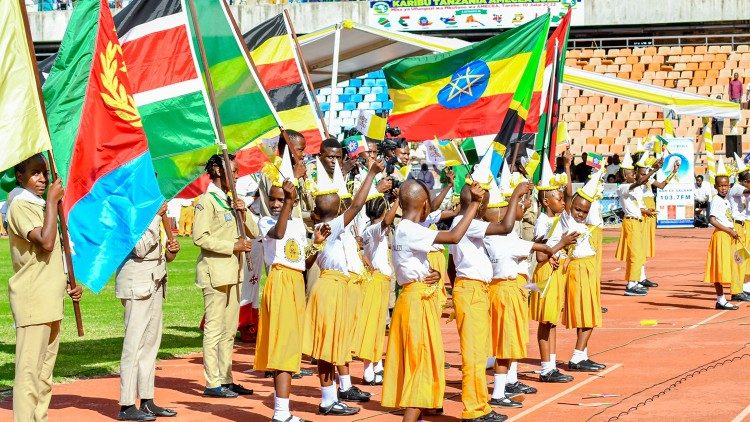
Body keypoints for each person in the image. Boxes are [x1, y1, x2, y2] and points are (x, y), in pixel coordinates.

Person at [382, 179, 487, 422]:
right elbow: (453, 237)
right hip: (417, 302)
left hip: (416, 296)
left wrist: (435, 273)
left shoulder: (405, 229)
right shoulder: (410, 229)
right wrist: (474, 205)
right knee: (421, 367)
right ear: (424, 203)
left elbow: (413, 265)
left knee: (424, 363)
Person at [448, 156, 532, 422]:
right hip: (472, 290)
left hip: (473, 290)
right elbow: (507, 226)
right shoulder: (469, 223)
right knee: (473, 356)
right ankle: (473, 409)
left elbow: (452, 266)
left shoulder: (462, 223)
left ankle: (481, 404)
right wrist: (516, 194)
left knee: (478, 351)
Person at [484, 177, 577, 407]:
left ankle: (510, 382)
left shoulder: (506, 235)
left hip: (515, 288)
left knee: (513, 340)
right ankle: (498, 392)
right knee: (506, 342)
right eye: (511, 206)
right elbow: (541, 250)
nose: (522, 207)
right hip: (506, 290)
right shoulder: (501, 236)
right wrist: (559, 245)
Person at [4, 153, 83, 422]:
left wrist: (69, 283)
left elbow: (55, 254)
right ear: (20, 176)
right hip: (32, 298)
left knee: (44, 375)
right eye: (35, 173)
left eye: (45, 173)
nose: (43, 178)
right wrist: (52, 200)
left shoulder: (40, 204)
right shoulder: (20, 204)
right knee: (28, 374)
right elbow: (45, 242)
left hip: (50, 298)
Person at [302, 157, 382, 416]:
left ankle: (334, 395)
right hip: (331, 288)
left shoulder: (329, 227)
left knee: (336, 345)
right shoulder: (330, 226)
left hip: (338, 287)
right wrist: (371, 173)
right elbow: (358, 205)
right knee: (328, 347)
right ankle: (327, 400)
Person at [254, 169, 330, 421]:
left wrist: (317, 244)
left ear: (295, 201)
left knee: (291, 345)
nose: (275, 204)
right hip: (281, 282)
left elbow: (303, 263)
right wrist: (287, 200)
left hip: (296, 282)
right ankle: (281, 413)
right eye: (272, 199)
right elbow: (277, 233)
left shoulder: (298, 224)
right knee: (283, 347)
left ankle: (283, 412)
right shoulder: (266, 221)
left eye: (281, 199)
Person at [192, 154, 258, 398]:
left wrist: (244, 211)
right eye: (234, 171)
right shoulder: (206, 201)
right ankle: (212, 382)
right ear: (219, 171)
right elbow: (200, 237)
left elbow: (254, 231)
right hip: (215, 273)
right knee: (215, 328)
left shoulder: (231, 201)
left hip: (234, 273)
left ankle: (226, 378)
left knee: (230, 329)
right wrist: (232, 246)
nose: (238, 175)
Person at [116, 202, 180, 421]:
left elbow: (157, 249)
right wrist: (156, 216)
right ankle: (126, 404)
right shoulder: (128, 209)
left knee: (151, 343)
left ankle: (146, 399)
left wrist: (170, 252)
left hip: (155, 279)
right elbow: (141, 248)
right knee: (134, 344)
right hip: (137, 281)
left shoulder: (149, 207)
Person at [529, 153, 576, 383]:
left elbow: (568, 196)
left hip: (556, 271)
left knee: (552, 321)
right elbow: (539, 254)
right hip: (546, 274)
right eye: (557, 198)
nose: (562, 202)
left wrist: (567, 168)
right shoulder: (543, 221)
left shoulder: (558, 218)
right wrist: (560, 246)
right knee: (545, 322)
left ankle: (551, 364)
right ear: (547, 201)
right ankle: (546, 368)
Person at [354, 186, 399, 386]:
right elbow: (388, 221)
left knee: (380, 325)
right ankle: (368, 371)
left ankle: (376, 364)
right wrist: (398, 200)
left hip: (380, 281)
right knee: (372, 326)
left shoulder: (371, 229)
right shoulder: (374, 228)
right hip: (375, 282)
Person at [561, 173, 605, 372]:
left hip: (586, 267)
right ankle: (577, 356)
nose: (580, 213)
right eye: (577, 209)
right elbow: (569, 194)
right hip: (579, 269)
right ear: (570, 207)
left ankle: (583, 354)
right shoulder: (568, 220)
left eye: (584, 211)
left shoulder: (584, 223)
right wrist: (568, 169)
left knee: (586, 313)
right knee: (589, 314)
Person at [615, 149, 661, 296]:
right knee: (635, 254)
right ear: (624, 175)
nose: (634, 175)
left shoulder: (633, 189)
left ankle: (634, 281)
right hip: (631, 223)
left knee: (640, 254)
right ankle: (631, 284)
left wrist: (647, 211)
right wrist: (654, 170)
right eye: (631, 174)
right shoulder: (623, 188)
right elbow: (641, 181)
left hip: (638, 221)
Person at [704, 159, 741, 310]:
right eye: (721, 185)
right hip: (721, 236)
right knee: (719, 269)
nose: (724, 188)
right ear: (716, 186)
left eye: (726, 185)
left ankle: (731, 294)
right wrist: (729, 230)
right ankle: (721, 299)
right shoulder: (716, 200)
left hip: (728, 236)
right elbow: (711, 219)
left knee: (736, 263)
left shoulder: (725, 201)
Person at [728, 157, 750, 302]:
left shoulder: (743, 188)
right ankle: (736, 290)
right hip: (737, 225)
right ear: (743, 180)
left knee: (745, 256)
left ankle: (744, 288)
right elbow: (748, 191)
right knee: (739, 258)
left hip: (743, 225)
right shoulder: (737, 187)